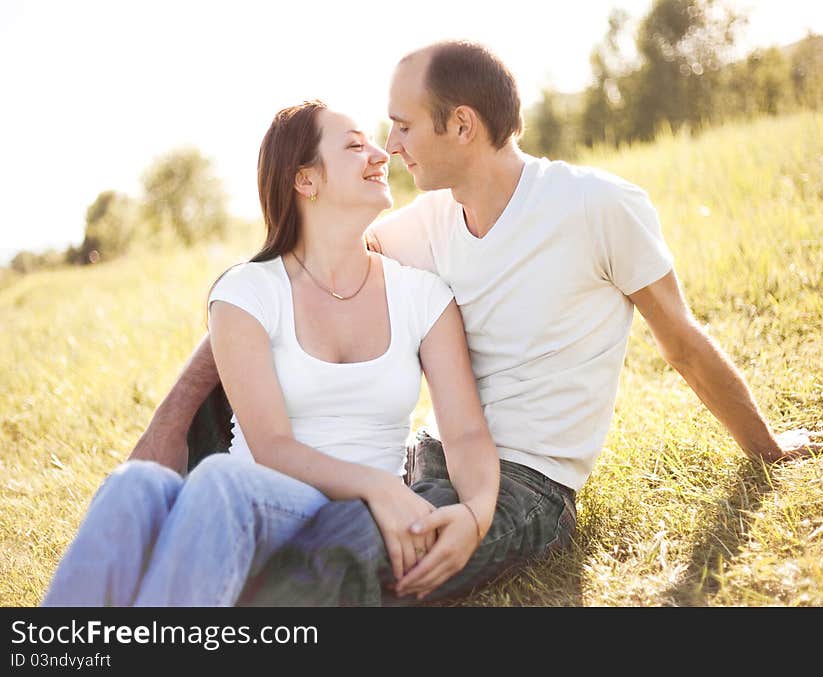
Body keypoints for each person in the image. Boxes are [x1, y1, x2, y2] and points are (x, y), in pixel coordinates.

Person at [129, 40, 823, 606]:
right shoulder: (428, 223)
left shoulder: (597, 208)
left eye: (403, 126)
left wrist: (765, 446)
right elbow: (282, 285)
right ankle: (170, 529)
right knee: (261, 372)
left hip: (525, 487)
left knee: (333, 560)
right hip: (426, 459)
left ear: (460, 125)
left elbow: (683, 345)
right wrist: (167, 422)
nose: (390, 146)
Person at [41, 100, 499, 606]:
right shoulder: (246, 291)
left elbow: (466, 432)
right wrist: (379, 485)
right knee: (134, 486)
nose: (380, 153)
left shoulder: (423, 295)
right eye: (354, 145)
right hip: (263, 498)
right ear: (306, 181)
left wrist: (477, 513)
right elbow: (273, 447)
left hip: (337, 518)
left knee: (217, 482)